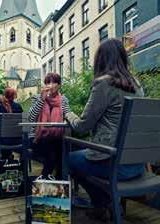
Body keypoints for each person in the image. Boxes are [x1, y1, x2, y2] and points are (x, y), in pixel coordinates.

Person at [65, 39, 145, 219]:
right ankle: (104, 203)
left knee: (68, 159)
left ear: (101, 60)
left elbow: (82, 126)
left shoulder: (104, 84)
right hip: (136, 165)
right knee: (81, 152)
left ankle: (103, 201)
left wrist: (68, 113)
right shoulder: (138, 85)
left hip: (114, 164)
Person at [28, 73, 70, 179]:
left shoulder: (63, 100)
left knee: (63, 147)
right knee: (54, 149)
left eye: (53, 82)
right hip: (37, 138)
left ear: (59, 85)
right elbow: (30, 118)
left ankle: (56, 180)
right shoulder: (37, 98)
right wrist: (41, 99)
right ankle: (48, 179)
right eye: (48, 82)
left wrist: (72, 119)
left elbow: (68, 115)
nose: (50, 85)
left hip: (56, 137)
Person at [0, 88, 23, 159]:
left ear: (4, 95)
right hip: (18, 140)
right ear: (14, 96)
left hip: (4, 140)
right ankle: (9, 158)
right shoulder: (19, 107)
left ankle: (2, 158)